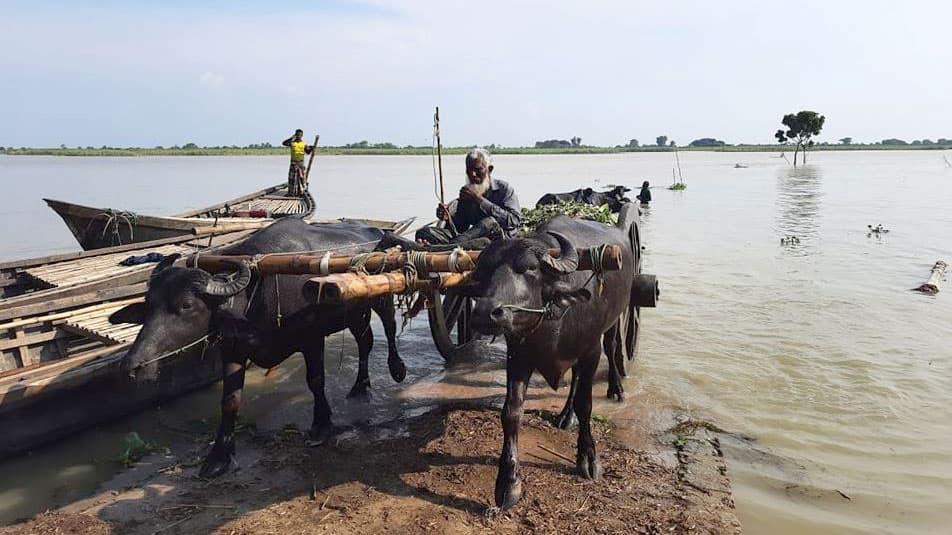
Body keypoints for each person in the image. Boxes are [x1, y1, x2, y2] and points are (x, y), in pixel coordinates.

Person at [415, 147, 521, 248]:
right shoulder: (466, 192)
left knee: (489, 223)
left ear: (489, 169)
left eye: (478, 169)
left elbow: (514, 221)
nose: (473, 174)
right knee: (424, 232)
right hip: (473, 240)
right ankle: (447, 247)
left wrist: (479, 200)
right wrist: (448, 218)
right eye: (469, 170)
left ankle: (444, 247)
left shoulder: (504, 189)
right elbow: (461, 228)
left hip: (500, 242)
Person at [282, 129, 313, 196]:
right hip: (293, 163)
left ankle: (301, 192)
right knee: (292, 178)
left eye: (300, 135)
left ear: (302, 135)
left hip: (301, 164)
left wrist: (311, 149)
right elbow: (284, 143)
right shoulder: (292, 143)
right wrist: (291, 138)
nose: (299, 136)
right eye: (297, 135)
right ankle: (291, 193)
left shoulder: (304, 144)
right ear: (295, 135)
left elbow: (307, 152)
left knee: (301, 179)